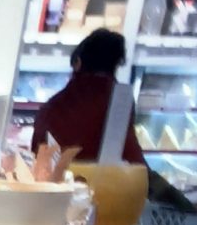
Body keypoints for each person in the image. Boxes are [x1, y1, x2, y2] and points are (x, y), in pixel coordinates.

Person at [33, 26, 145, 165]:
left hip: (59, 177)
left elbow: (38, 155)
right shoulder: (120, 100)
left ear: (78, 63)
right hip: (107, 178)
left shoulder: (52, 108)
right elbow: (132, 157)